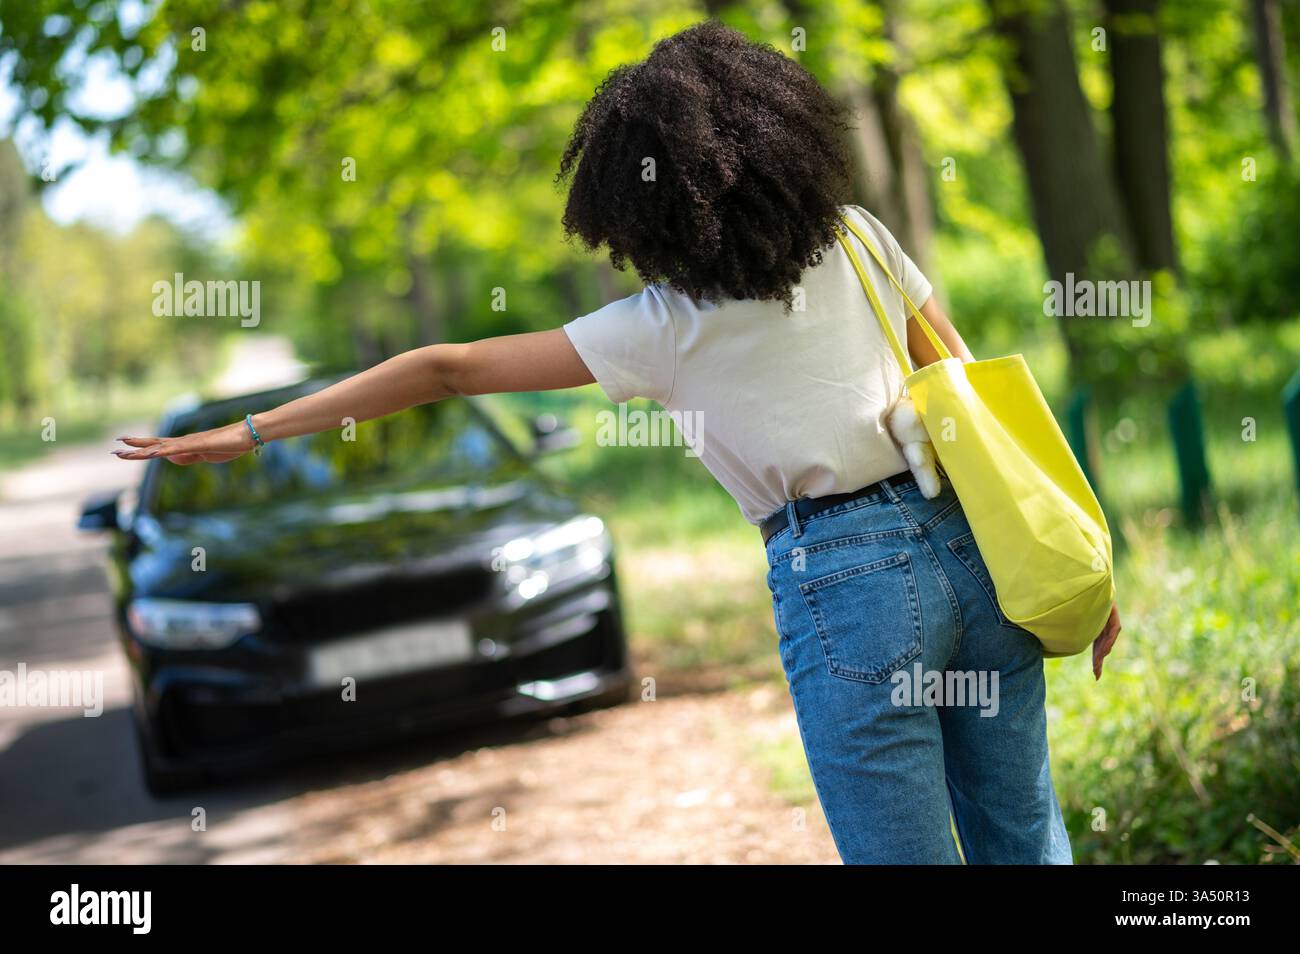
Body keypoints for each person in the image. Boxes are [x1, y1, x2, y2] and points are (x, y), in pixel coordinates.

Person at [114, 21, 1121, 864]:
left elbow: (446, 367)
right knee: (1025, 840)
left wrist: (247, 429)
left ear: (635, 205)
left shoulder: (656, 327)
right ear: (779, 137)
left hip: (848, 585)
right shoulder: (858, 237)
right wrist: (1074, 560)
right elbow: (979, 404)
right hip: (966, 543)